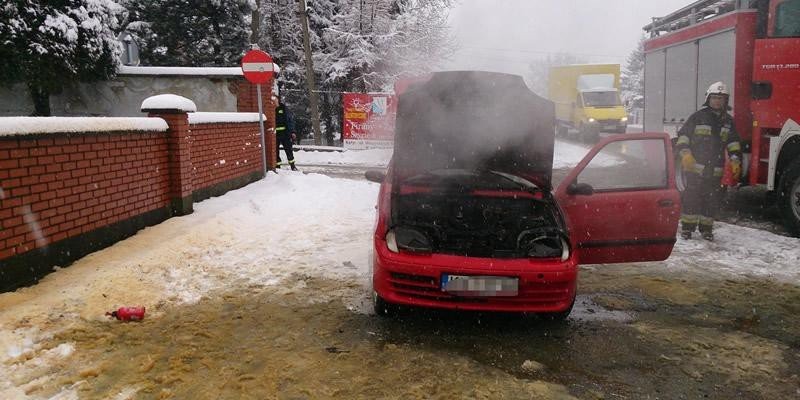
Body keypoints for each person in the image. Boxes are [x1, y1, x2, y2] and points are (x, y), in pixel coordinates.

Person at [675, 81, 742, 241]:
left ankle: (706, 229)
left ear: (725, 100)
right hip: (695, 168)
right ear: (708, 99)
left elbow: (733, 142)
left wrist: (735, 160)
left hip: (715, 170)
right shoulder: (698, 117)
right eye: (714, 97)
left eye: (721, 98)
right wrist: (685, 154)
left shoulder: (728, 121)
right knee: (692, 198)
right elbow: (683, 136)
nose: (717, 101)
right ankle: (687, 228)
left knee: (711, 200)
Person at [275, 99, 298, 171]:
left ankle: (292, 165)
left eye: (275, 100)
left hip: (285, 133)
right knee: (275, 151)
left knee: (288, 149)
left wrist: (292, 132)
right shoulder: (271, 109)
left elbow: (290, 121)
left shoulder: (284, 108)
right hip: (275, 134)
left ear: (278, 100)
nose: (274, 101)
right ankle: (277, 166)